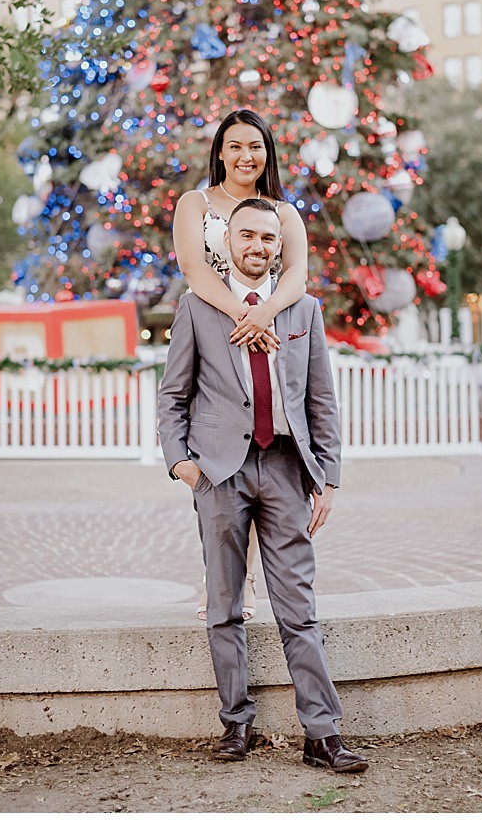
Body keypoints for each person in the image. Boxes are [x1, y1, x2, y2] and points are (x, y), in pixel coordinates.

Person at [158, 197, 367, 773]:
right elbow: (174, 395)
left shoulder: (303, 311)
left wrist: (326, 477)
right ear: (228, 243)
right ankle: (236, 725)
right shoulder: (199, 308)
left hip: (284, 470)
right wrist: (182, 463)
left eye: (268, 239)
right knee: (224, 606)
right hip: (219, 474)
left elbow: (321, 400)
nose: (257, 246)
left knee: (298, 607)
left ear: (280, 246)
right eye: (246, 235)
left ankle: (321, 735)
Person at [173, 109, 311, 620]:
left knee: (260, 452)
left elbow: (296, 275)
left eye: (255, 146)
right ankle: (219, 576)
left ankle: (246, 582)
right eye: (234, 146)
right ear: (220, 152)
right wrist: (241, 314)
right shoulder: (196, 203)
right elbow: (192, 268)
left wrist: (264, 315)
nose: (245, 156)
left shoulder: (284, 212)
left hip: (267, 336)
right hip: (212, 335)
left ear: (267, 152)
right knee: (216, 453)